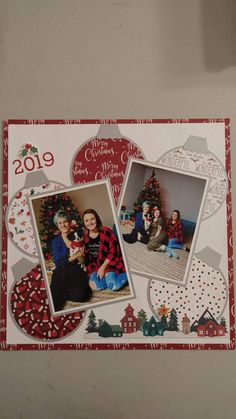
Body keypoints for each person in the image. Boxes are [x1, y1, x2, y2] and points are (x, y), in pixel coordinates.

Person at [50, 210, 91, 312]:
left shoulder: (78, 234)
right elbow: (58, 262)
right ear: (57, 225)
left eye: (65, 221)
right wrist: (75, 256)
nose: (63, 225)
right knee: (54, 298)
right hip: (62, 270)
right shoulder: (56, 242)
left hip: (77, 269)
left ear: (69, 222)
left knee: (82, 296)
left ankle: (64, 293)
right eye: (60, 223)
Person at [83, 209, 128, 291]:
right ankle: (107, 278)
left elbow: (113, 252)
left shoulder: (106, 231)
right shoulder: (85, 238)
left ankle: (128, 274)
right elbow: (88, 256)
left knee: (113, 286)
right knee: (95, 286)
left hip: (111, 263)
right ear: (84, 223)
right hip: (97, 266)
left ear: (97, 219)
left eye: (92, 219)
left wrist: (103, 268)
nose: (90, 222)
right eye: (86, 220)